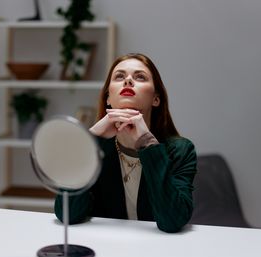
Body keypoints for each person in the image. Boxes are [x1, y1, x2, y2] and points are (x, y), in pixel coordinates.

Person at [55, 53, 197, 233]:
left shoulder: (180, 150)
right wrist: (89, 141)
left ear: (156, 98)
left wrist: (148, 145)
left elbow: (172, 221)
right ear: (108, 97)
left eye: (140, 77)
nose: (128, 80)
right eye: (119, 76)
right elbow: (68, 214)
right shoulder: (97, 148)